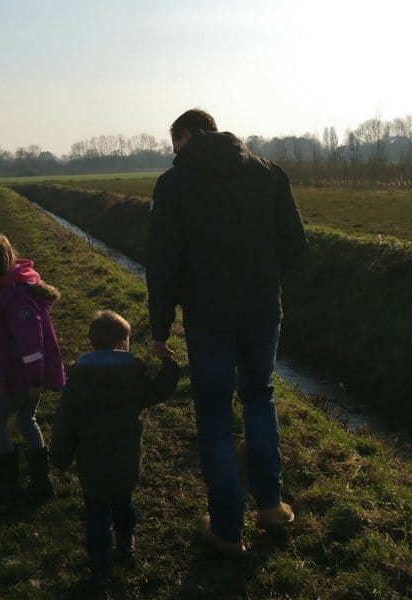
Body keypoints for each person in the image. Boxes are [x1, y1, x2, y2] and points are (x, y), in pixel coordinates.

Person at [146, 108, 308, 555]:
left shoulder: (174, 185)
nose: (174, 154)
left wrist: (160, 328)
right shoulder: (269, 173)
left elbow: (161, 263)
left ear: (188, 136)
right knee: (260, 398)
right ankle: (271, 506)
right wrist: (265, 283)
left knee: (215, 420)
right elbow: (296, 242)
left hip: (208, 320)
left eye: (174, 144)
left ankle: (226, 529)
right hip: (262, 313)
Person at [51, 310, 180, 584]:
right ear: (123, 343)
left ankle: (99, 565)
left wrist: (60, 457)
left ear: (92, 344)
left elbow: (64, 423)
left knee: (96, 512)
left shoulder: (77, 382)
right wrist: (169, 365)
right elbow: (159, 391)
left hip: (91, 462)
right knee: (123, 503)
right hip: (126, 458)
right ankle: (126, 542)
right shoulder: (134, 378)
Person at [0, 233, 65, 505]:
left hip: (23, 377)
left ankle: (10, 485)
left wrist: (35, 379)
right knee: (25, 420)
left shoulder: (17, 300)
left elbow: (32, 344)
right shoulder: (11, 292)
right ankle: (39, 484)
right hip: (24, 375)